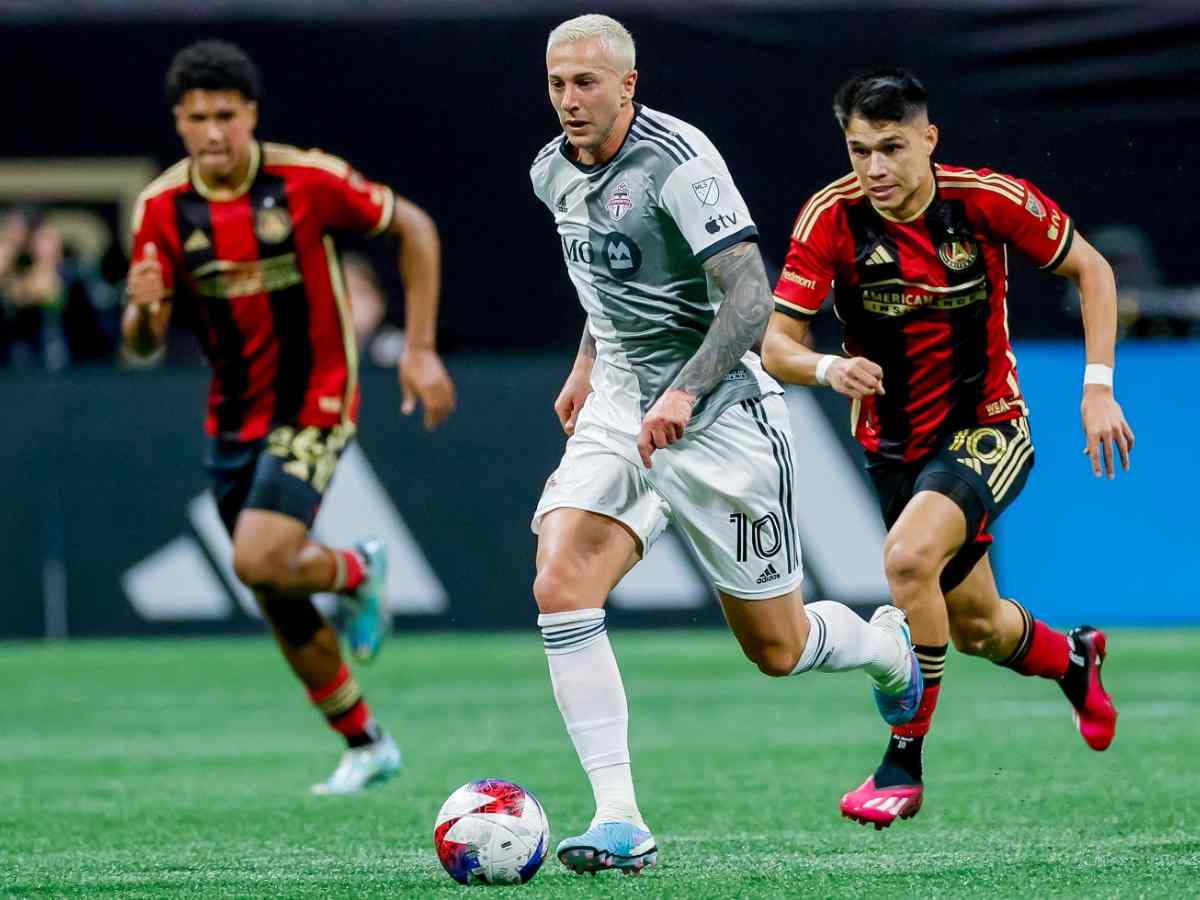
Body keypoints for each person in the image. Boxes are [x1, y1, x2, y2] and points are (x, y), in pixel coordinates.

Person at [529, 17, 922, 875]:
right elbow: (606, 285)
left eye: (587, 83)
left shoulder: (680, 161)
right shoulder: (551, 170)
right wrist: (586, 366)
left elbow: (749, 300)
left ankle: (885, 647)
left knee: (775, 650)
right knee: (561, 582)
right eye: (558, 83)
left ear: (628, 86)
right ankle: (619, 817)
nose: (569, 100)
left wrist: (683, 391)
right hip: (621, 408)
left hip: (721, 415)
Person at [762, 68, 1133, 829]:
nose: (875, 170)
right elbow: (776, 345)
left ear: (928, 140)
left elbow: (1092, 270)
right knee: (978, 628)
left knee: (904, 561)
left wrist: (1097, 386)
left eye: (892, 148)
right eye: (860, 150)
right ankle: (1072, 659)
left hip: (988, 424)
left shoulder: (987, 201)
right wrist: (828, 367)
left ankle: (904, 759)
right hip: (893, 445)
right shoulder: (830, 219)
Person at [123, 40, 455, 794]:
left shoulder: (306, 179)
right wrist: (143, 308)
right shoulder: (161, 210)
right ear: (178, 122)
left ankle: (355, 570)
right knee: (273, 585)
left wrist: (422, 350)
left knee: (257, 559)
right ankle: (367, 742)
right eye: (197, 118)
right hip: (232, 414)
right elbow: (141, 344)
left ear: (252, 117)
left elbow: (417, 229)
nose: (213, 133)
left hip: (316, 395)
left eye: (226, 117)